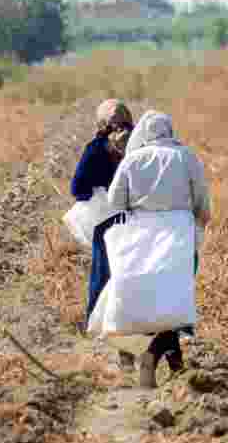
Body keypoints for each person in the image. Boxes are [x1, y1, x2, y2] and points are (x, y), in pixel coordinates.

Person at [107, 110, 211, 388]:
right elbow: (201, 198)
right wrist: (199, 223)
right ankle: (158, 358)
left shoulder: (132, 159)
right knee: (173, 301)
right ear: (169, 131)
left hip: (141, 233)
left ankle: (160, 360)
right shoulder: (185, 157)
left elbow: (115, 201)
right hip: (178, 232)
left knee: (146, 298)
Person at [70, 99, 134, 332]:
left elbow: (77, 188)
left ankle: (95, 325)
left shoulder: (96, 148)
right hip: (138, 219)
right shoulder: (141, 145)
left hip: (107, 222)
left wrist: (96, 191)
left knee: (102, 275)